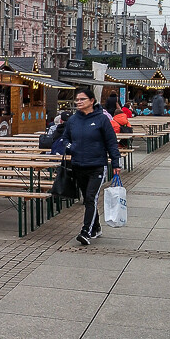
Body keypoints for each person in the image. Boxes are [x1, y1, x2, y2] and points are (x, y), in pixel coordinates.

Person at [64, 87, 121, 246]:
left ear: (91, 101)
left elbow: (111, 142)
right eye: (77, 99)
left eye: (82, 99)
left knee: (91, 197)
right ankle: (96, 227)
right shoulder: (73, 120)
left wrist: (115, 162)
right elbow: (65, 138)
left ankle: (85, 232)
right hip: (78, 165)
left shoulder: (102, 119)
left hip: (97, 165)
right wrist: (71, 147)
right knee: (88, 199)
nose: (78, 102)